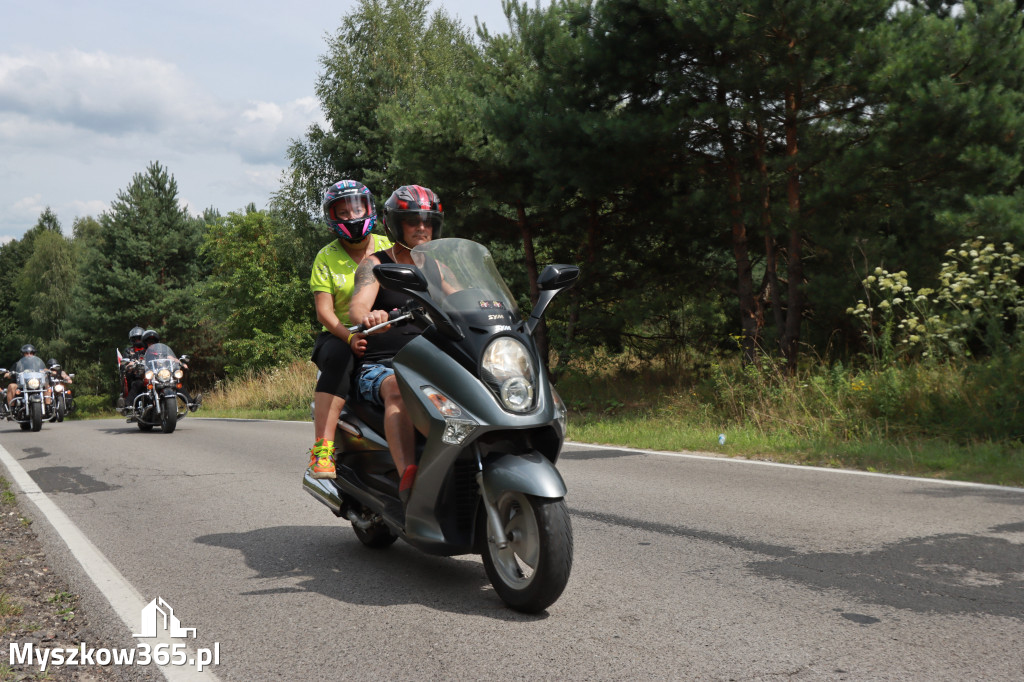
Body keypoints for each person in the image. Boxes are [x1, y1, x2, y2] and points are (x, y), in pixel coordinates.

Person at [349, 184, 448, 505]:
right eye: (413, 220)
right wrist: (370, 316)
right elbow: (357, 307)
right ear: (395, 224)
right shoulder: (375, 265)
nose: (422, 227)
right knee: (398, 387)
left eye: (428, 221)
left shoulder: (439, 267)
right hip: (384, 364)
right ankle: (410, 479)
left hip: (434, 361)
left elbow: (464, 299)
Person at [307, 180, 393, 479]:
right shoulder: (325, 257)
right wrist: (351, 336)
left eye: (356, 208)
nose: (352, 216)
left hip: (393, 328)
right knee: (341, 357)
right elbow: (324, 312)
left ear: (370, 208)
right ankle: (323, 449)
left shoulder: (387, 246)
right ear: (332, 217)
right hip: (342, 333)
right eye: (342, 212)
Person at [4, 344, 49, 410]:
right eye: (27, 353)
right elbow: (7, 374)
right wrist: (9, 374)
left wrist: (48, 371)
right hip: (21, 385)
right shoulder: (18, 364)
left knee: (47, 385)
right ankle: (12, 409)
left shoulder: (38, 363)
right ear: (23, 354)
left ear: (34, 354)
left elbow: (45, 369)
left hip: (35, 383)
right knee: (11, 386)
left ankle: (48, 406)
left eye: (31, 353)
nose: (29, 355)